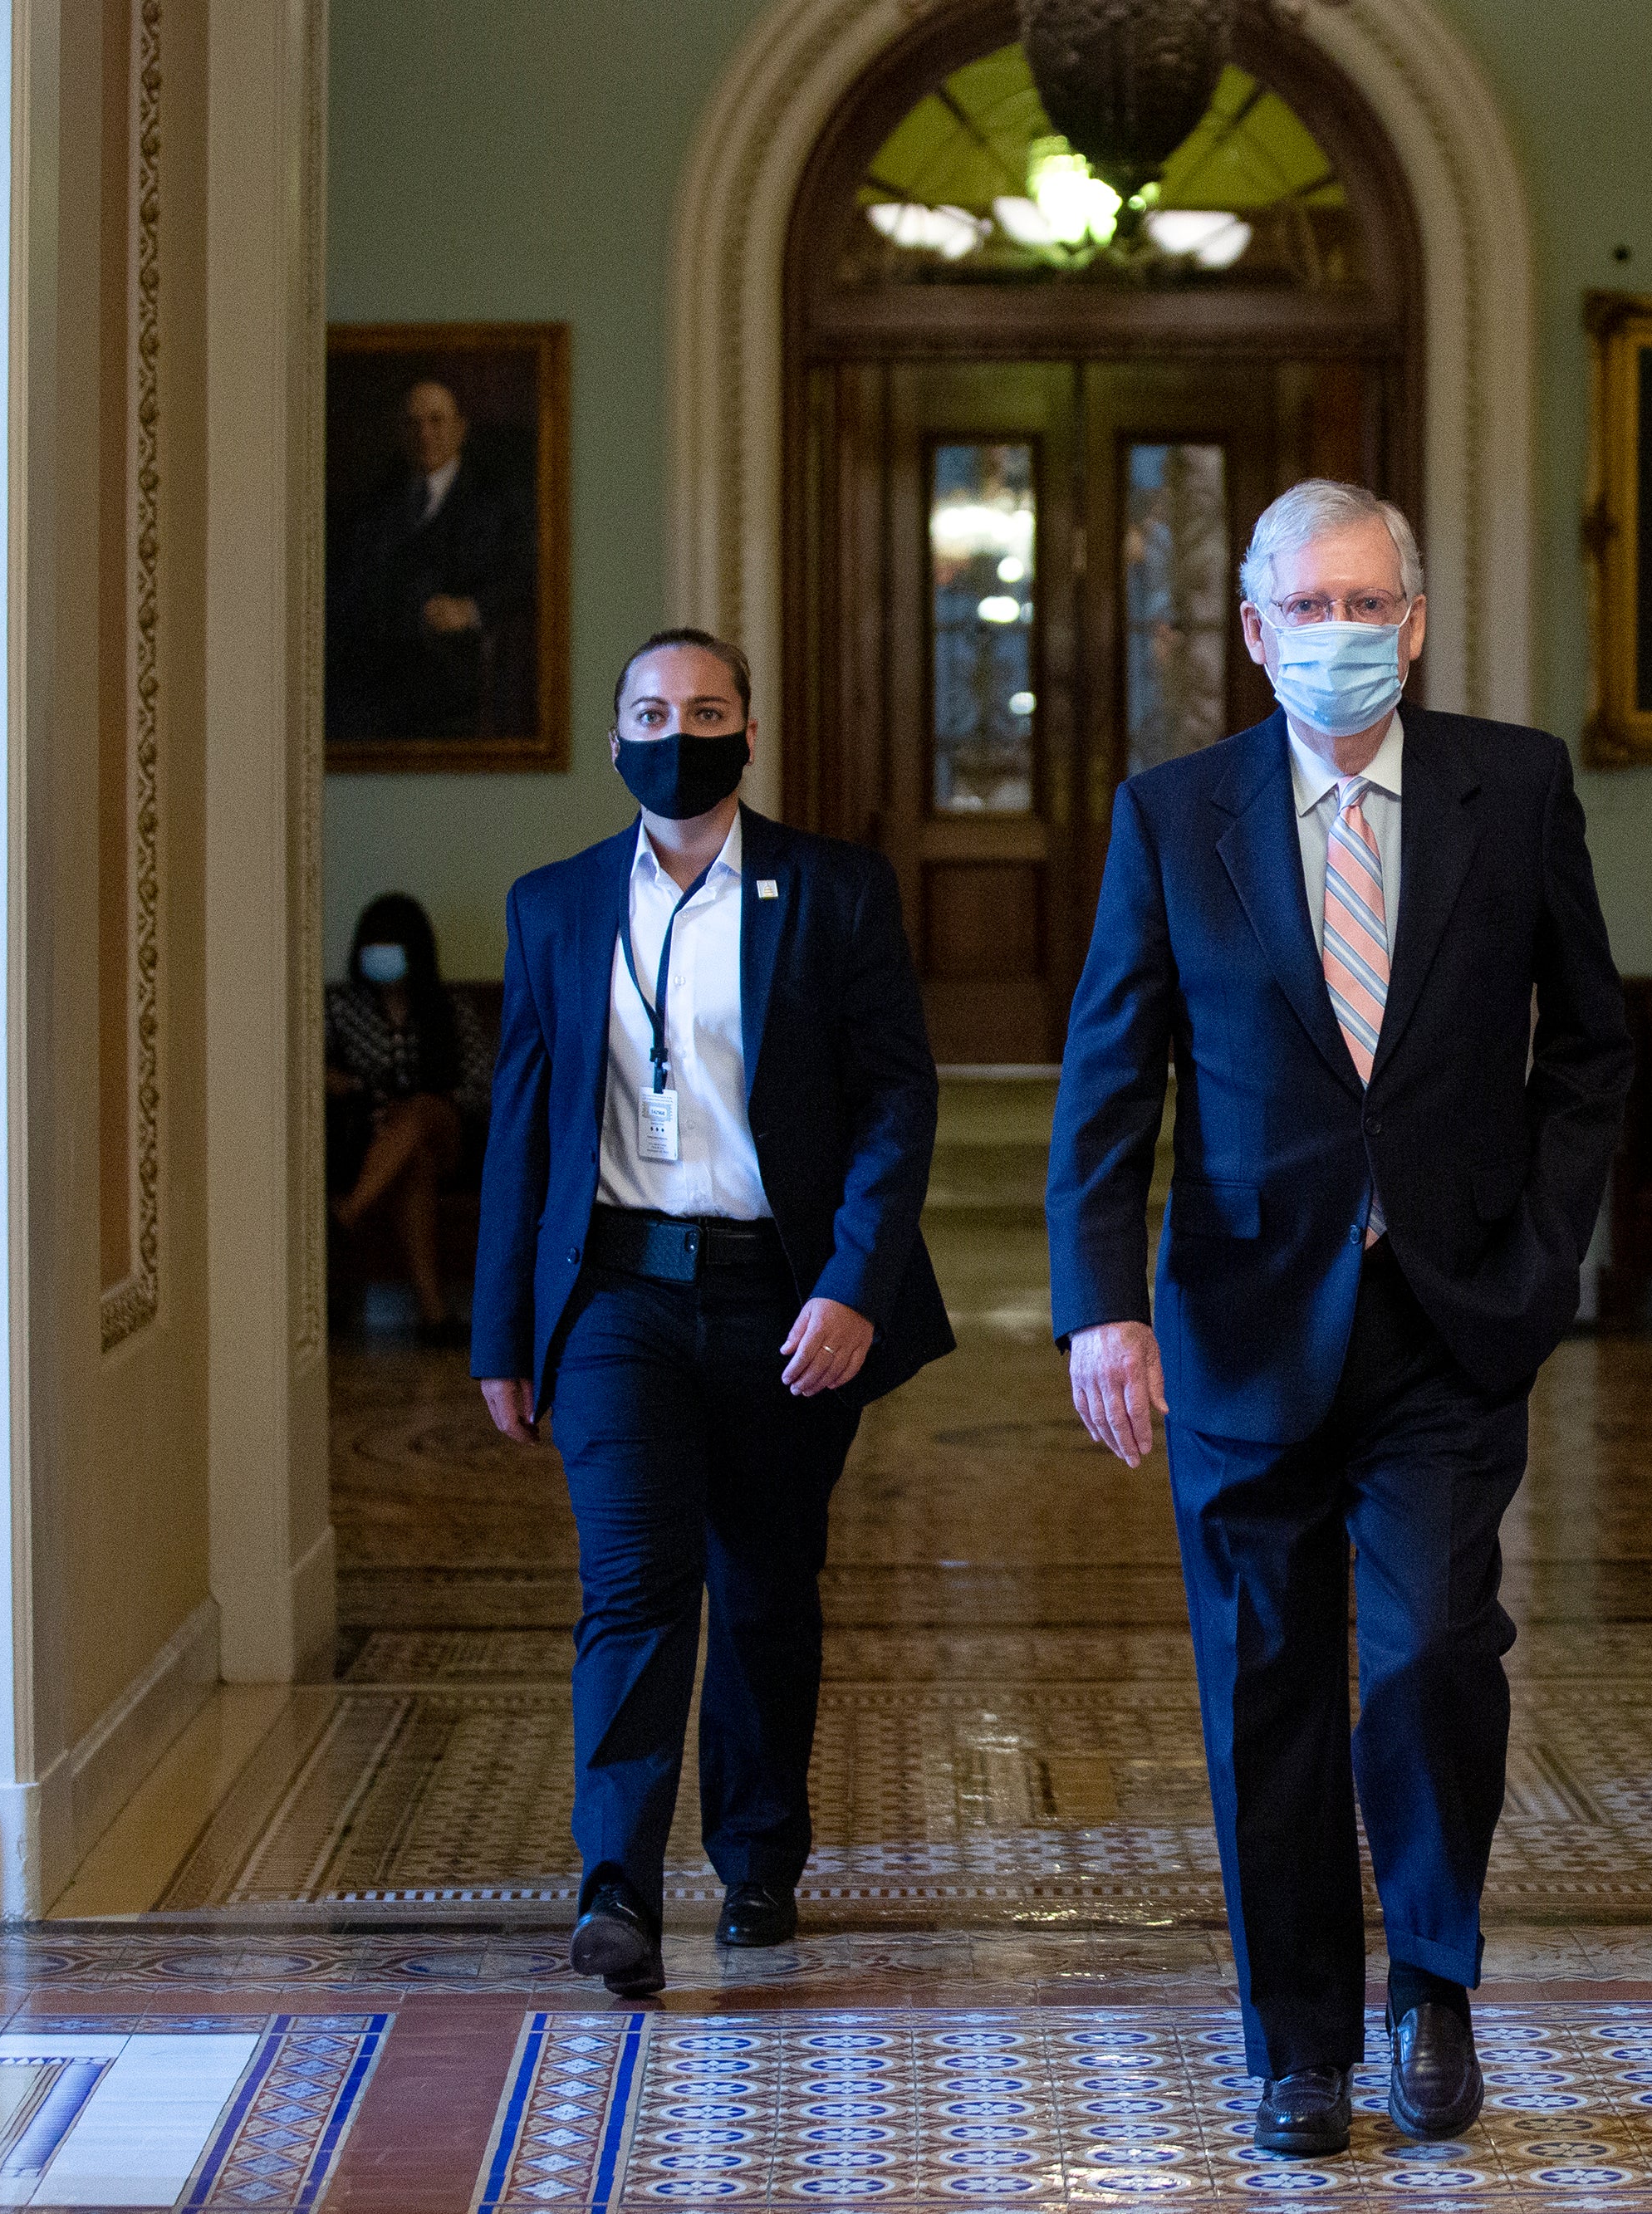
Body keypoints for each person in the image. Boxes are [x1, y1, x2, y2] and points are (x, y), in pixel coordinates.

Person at [1047, 481, 1630, 2156]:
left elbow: (1589, 1044)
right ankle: (1296, 2041)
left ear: (1417, 622)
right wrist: (1100, 1309)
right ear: (1251, 634)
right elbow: (1109, 1080)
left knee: (1436, 1650)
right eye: (1305, 609)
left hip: (1449, 1318)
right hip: (1236, 1320)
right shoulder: (1172, 816)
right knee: (1265, 1684)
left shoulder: (1509, 788)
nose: (1338, 636)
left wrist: (1541, 1251)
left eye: (1367, 605)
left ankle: (1428, 1979)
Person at [470, 627, 953, 1997]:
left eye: (706, 708)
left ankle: (757, 1859)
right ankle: (615, 1884)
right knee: (632, 1584)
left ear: (748, 730)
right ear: (615, 728)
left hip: (784, 1302)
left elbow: (893, 1101)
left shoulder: (837, 893)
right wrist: (504, 1328)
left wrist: (854, 1282)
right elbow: (522, 1124)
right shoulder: (553, 905)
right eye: (649, 708)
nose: (676, 729)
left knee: (762, 1588)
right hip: (617, 1296)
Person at [326, 892, 494, 1346]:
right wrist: (355, 1090)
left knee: (419, 1114)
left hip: (449, 1131)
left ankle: (345, 1215)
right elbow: (313, 1072)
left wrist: (427, 1103)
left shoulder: (450, 1009)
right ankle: (434, 1316)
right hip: (374, 1141)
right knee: (412, 1161)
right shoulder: (344, 1010)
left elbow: (481, 1088)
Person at [327, 378, 533, 738]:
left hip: (459, 680)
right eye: (413, 423)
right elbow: (350, 587)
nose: (424, 434)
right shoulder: (374, 505)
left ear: (459, 429)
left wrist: (469, 610)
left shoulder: (495, 503)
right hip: (381, 679)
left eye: (436, 421)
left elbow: (523, 579)